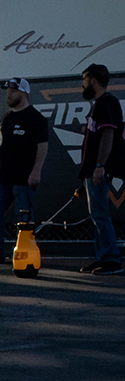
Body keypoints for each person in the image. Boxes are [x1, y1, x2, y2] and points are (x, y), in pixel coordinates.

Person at [0, 78, 49, 264]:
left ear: (23, 92)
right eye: (8, 91)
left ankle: (25, 253)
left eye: (13, 91)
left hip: (24, 178)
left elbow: (42, 147)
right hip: (3, 177)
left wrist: (36, 171)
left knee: (24, 217)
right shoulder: (6, 118)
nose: (9, 94)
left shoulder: (36, 118)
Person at [78, 64, 123, 275]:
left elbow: (108, 135)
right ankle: (102, 257)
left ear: (93, 80)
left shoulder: (107, 102)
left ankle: (111, 260)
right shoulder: (98, 105)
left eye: (85, 79)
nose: (83, 84)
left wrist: (99, 166)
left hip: (99, 170)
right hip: (91, 171)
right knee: (96, 215)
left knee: (100, 215)